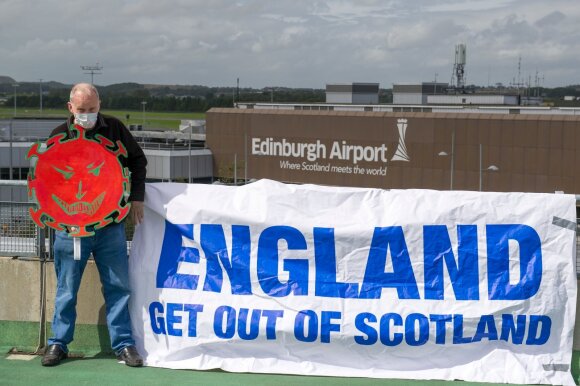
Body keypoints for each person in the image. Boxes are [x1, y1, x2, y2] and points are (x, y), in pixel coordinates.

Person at [41, 83, 147, 367]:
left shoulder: (115, 129)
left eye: (92, 109)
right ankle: (58, 343)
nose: (87, 115)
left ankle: (124, 345)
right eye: (81, 110)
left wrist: (136, 198)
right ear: (70, 108)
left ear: (99, 105)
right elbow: (46, 179)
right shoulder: (58, 136)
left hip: (110, 226)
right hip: (70, 229)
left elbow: (138, 161)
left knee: (118, 286)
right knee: (66, 288)